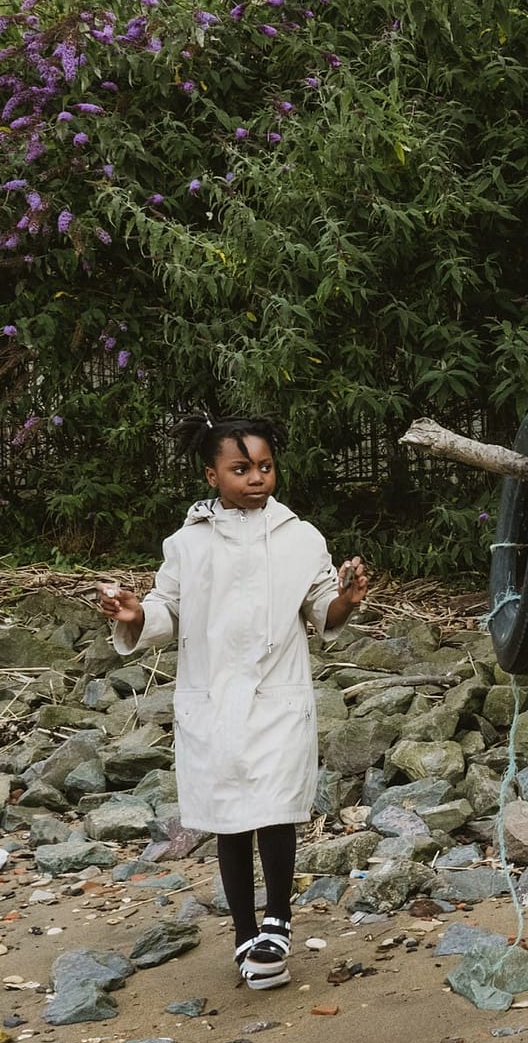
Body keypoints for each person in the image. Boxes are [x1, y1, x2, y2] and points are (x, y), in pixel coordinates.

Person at [97, 416, 369, 990]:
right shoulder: (188, 544)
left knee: (275, 809)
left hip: (277, 695)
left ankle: (279, 921)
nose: (256, 478)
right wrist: (136, 614)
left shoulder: (302, 538)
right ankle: (245, 930)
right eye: (240, 469)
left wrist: (344, 597)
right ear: (211, 474)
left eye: (265, 467)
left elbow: (321, 612)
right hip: (213, 695)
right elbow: (166, 609)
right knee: (229, 817)